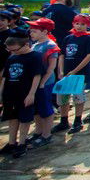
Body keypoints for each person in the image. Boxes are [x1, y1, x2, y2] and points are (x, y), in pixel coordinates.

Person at [0, 31, 44, 158]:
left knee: (25, 118)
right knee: (12, 118)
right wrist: (1, 93)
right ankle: (11, 143)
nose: (12, 52)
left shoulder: (35, 56)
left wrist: (31, 94)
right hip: (10, 93)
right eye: (10, 50)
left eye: (15, 50)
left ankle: (22, 143)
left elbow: (37, 76)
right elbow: (5, 77)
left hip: (25, 93)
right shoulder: (12, 57)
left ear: (25, 45)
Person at [53, 14, 90, 135]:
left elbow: (89, 55)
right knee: (63, 97)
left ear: (87, 25)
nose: (79, 26)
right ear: (73, 24)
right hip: (66, 73)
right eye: (77, 23)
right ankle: (64, 120)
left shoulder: (89, 38)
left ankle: (78, 120)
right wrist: (60, 71)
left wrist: (76, 70)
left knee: (78, 97)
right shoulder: (68, 38)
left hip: (80, 74)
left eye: (82, 24)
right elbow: (62, 55)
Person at [27, 18, 59, 149]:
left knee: (46, 108)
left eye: (34, 31)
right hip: (35, 82)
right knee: (37, 109)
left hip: (45, 83)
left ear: (45, 31)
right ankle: (38, 131)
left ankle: (46, 134)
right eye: (31, 31)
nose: (31, 33)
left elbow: (51, 67)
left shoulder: (50, 45)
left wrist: (43, 82)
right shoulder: (35, 45)